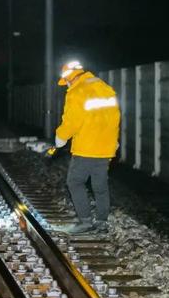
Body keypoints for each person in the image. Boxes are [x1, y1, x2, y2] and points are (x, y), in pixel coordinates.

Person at [51, 61, 120, 234]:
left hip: (86, 148)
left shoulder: (76, 92)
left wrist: (60, 137)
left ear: (70, 78)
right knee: (100, 185)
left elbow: (72, 121)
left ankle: (85, 221)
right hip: (106, 147)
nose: (66, 85)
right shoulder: (104, 87)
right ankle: (102, 222)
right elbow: (115, 118)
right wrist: (114, 140)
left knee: (74, 182)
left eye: (65, 81)